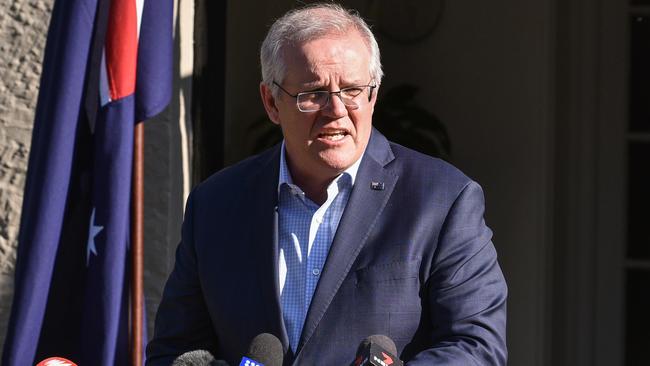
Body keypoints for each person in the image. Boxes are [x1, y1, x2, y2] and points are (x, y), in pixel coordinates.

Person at [146, 3, 507, 365]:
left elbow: (476, 347)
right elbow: (175, 352)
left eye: (352, 90)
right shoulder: (216, 204)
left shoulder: (442, 200)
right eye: (313, 94)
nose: (336, 110)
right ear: (271, 102)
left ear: (373, 95)